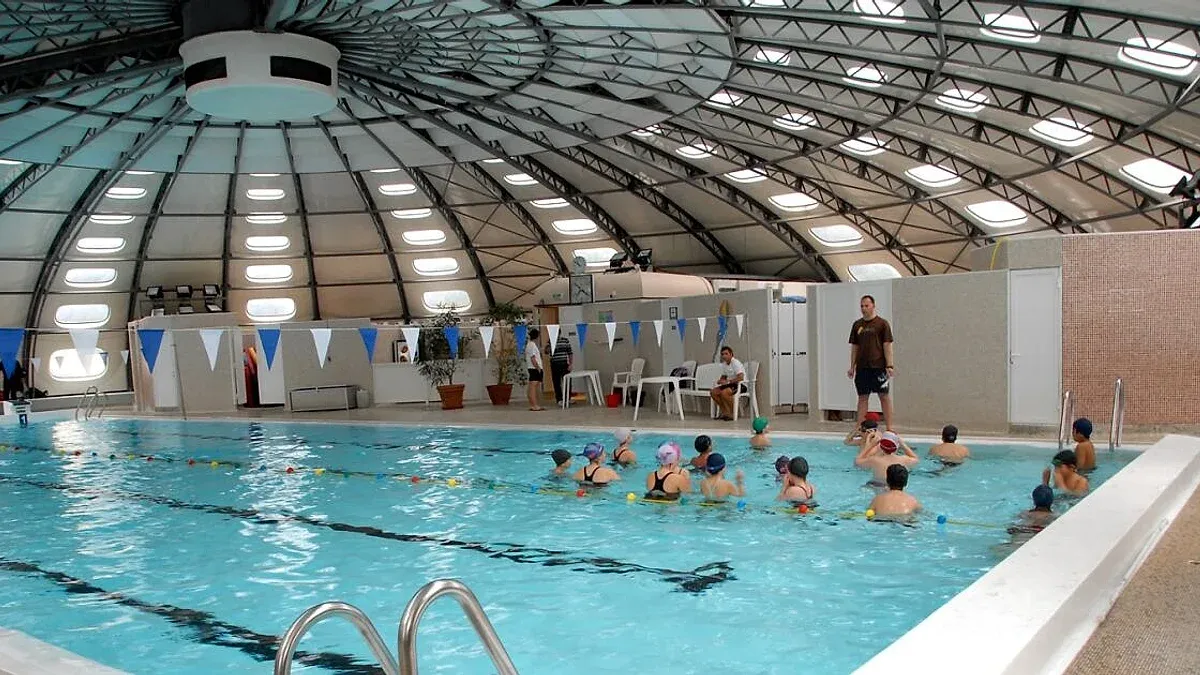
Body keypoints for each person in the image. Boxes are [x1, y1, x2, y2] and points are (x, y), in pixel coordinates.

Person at [846, 295, 895, 430]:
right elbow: (855, 347)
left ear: (873, 306)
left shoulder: (882, 324)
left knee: (884, 396)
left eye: (866, 306)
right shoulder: (857, 325)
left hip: (878, 366)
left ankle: (890, 427)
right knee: (862, 397)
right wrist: (852, 366)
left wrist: (889, 365)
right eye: (862, 306)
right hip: (863, 367)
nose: (863, 308)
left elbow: (887, 345)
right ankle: (859, 427)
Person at [709, 345, 745, 421]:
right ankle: (726, 412)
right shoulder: (724, 364)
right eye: (722, 354)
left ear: (731, 354)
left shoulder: (735, 363)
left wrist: (728, 381)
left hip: (740, 384)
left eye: (726, 354)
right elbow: (724, 376)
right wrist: (720, 380)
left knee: (724, 392)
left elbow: (740, 377)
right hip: (730, 384)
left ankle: (732, 413)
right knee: (713, 392)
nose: (724, 356)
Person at [549, 330, 573, 405]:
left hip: (564, 363)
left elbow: (570, 353)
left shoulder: (565, 341)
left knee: (567, 381)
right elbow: (546, 351)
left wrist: (570, 364)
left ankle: (567, 398)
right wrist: (549, 345)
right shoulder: (550, 341)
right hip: (554, 364)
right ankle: (559, 399)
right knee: (556, 382)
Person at [524, 328, 545, 411]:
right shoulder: (531, 345)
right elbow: (533, 358)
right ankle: (534, 405)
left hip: (533, 368)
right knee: (533, 387)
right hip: (534, 368)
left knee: (532, 387)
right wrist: (538, 368)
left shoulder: (530, 344)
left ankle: (534, 404)